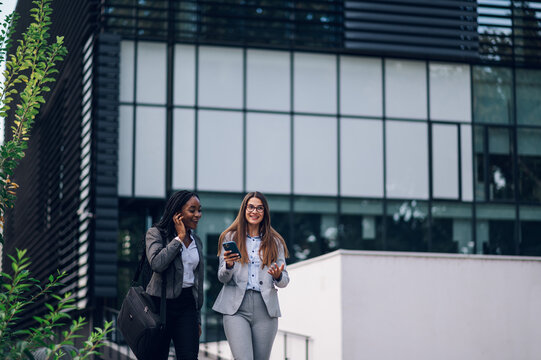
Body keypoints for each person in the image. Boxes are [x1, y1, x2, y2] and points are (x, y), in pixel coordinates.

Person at [213, 191, 290, 360]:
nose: (254, 211)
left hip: (265, 309)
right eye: (251, 207)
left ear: (265, 212)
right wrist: (229, 265)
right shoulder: (230, 237)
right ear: (244, 209)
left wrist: (278, 276)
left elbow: (284, 280)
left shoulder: (275, 242)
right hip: (236, 308)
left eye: (259, 208)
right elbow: (222, 277)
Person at [145, 190, 203, 360]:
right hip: (160, 305)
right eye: (192, 210)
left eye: (199, 210)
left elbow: (196, 281)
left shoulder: (197, 241)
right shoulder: (156, 234)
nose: (197, 215)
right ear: (177, 213)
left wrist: (197, 318)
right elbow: (157, 263)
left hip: (187, 307)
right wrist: (179, 238)